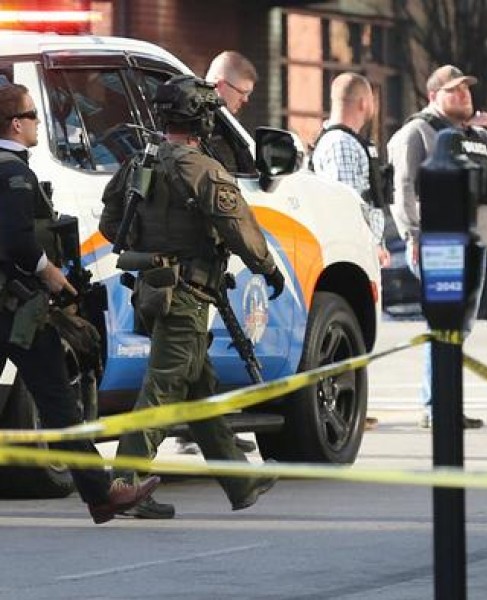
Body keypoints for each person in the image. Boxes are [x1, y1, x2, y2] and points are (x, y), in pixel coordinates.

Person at [100, 75, 286, 519]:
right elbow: (240, 231)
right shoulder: (203, 169)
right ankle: (123, 484)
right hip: (186, 294)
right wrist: (268, 269)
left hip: (152, 288)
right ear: (201, 118)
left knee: (199, 391)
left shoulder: (137, 164)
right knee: (163, 386)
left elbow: (111, 225)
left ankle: (241, 483)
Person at [0, 82, 159, 524]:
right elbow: (16, 240)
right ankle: (102, 494)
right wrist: (51, 275)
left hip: (13, 306)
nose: (38, 124)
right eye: (33, 116)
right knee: (58, 402)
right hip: (20, 309)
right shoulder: (12, 171)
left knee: (56, 401)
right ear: (16, 123)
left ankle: (101, 492)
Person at [387, 64, 487, 429]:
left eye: (467, 89)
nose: (464, 95)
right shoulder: (417, 132)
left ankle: (445, 402)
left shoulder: (477, 136)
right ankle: (436, 407)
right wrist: (413, 234)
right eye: (454, 90)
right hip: (438, 242)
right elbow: (403, 188)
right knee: (443, 323)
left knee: (461, 326)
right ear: (433, 97)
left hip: (477, 238)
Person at [173, 49, 261, 454]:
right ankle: (128, 472)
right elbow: (227, 195)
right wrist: (266, 267)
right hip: (190, 261)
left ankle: (216, 442)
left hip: (190, 262)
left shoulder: (198, 118)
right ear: (222, 85)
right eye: (242, 93)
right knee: (173, 368)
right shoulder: (210, 127)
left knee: (198, 357)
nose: (244, 102)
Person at [310, 72, 389, 431]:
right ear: (364, 102)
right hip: (349, 253)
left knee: (351, 333)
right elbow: (349, 202)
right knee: (346, 333)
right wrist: (371, 242)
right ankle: (342, 408)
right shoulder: (342, 144)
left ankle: (349, 405)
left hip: (357, 251)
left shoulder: (346, 142)